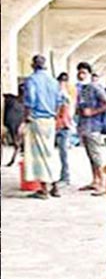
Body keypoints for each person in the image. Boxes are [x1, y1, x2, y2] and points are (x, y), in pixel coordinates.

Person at [22, 55, 62, 199]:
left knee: (39, 155)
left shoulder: (32, 80)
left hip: (37, 119)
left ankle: (44, 189)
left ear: (33, 65)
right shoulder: (53, 81)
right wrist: (55, 115)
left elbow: (30, 100)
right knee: (50, 152)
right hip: (50, 120)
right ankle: (55, 186)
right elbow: (59, 100)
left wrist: (26, 117)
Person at [76, 62, 106, 195]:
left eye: (84, 73)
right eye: (79, 72)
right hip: (84, 127)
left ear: (89, 74)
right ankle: (95, 181)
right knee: (90, 156)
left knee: (96, 156)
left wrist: (93, 112)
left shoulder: (95, 88)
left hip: (93, 127)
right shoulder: (82, 89)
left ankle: (102, 184)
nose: (81, 75)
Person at [55, 72, 74, 185]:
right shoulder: (67, 94)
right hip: (63, 125)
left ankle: (65, 177)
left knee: (63, 153)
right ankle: (64, 176)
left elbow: (63, 112)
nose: (62, 83)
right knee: (62, 153)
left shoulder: (63, 95)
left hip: (63, 125)